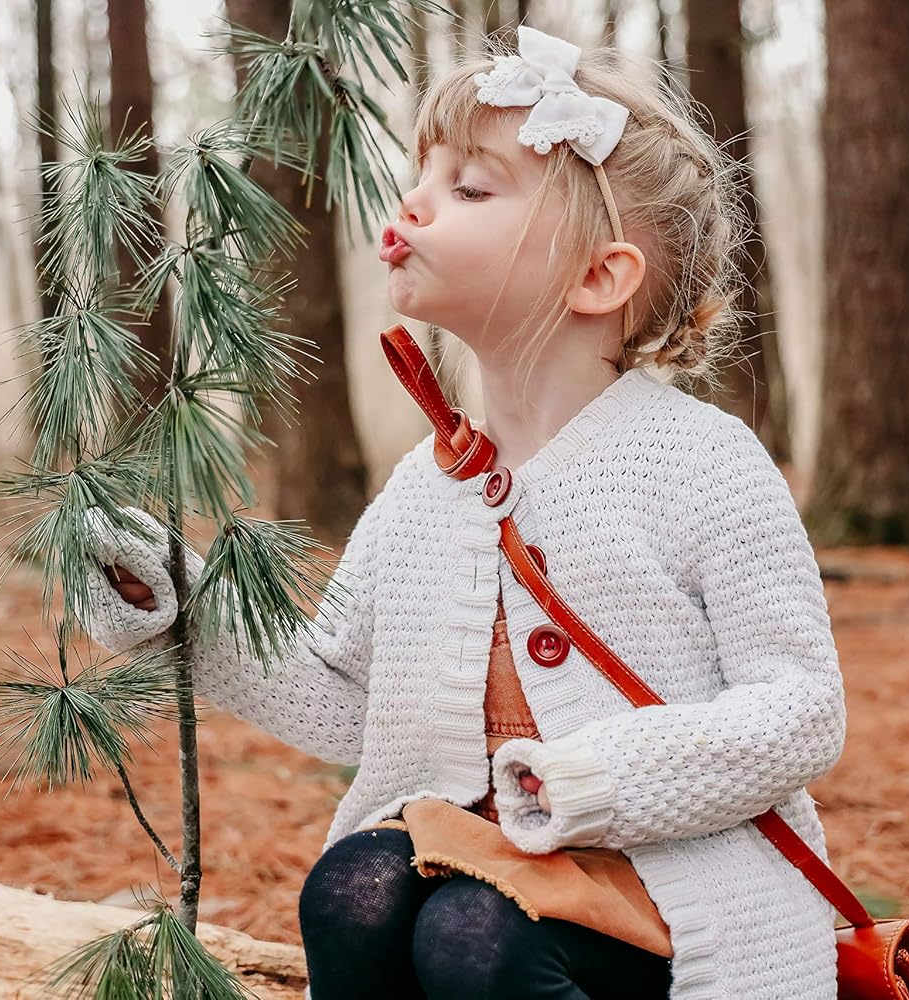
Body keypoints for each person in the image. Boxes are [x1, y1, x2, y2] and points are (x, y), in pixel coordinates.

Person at [79, 24, 846, 1000]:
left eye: (471, 188)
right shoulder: (425, 488)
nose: (415, 203)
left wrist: (601, 778)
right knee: (350, 887)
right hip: (481, 868)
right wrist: (178, 605)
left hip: (667, 894)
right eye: (424, 175)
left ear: (600, 277)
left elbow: (803, 706)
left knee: (474, 937)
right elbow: (350, 698)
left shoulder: (701, 462)